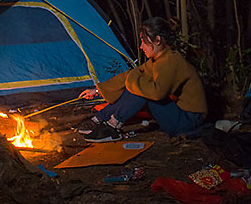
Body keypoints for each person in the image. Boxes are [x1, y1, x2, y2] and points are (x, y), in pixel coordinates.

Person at [77, 17, 206, 142]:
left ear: (158, 40)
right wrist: (98, 90)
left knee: (142, 89)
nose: (141, 46)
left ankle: (112, 126)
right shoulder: (160, 59)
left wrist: (133, 80)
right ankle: (99, 120)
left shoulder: (171, 61)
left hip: (189, 121)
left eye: (144, 41)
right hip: (181, 116)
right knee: (138, 83)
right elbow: (132, 74)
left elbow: (156, 92)